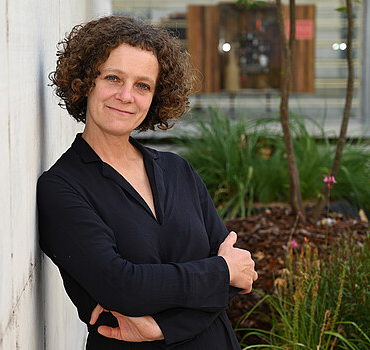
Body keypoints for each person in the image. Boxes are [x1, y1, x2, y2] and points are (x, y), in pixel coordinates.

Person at [37, 15, 258, 349]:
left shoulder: (178, 170)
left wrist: (160, 327)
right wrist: (218, 272)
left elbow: (233, 280)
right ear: (86, 83)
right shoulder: (62, 187)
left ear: (156, 96)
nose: (127, 96)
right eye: (113, 78)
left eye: (143, 85)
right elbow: (121, 287)